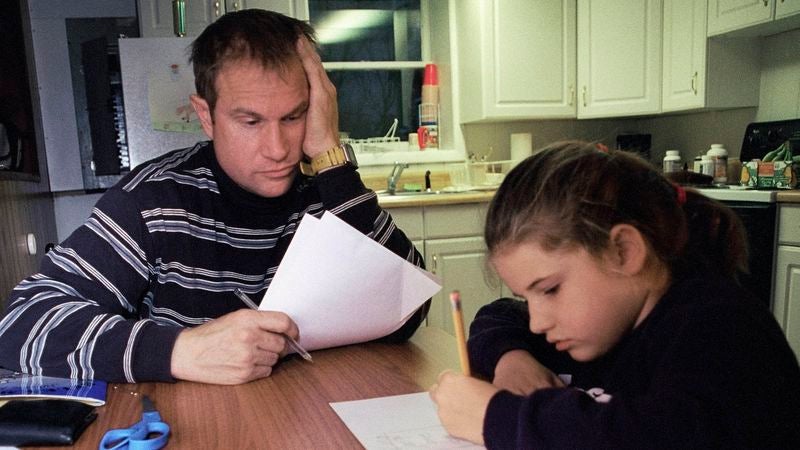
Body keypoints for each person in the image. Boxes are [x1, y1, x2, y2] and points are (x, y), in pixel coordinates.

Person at [0, 10, 428, 385]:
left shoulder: (329, 191)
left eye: (294, 116)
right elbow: (19, 327)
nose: (278, 149)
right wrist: (181, 351)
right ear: (205, 115)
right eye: (250, 121)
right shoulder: (152, 200)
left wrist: (331, 161)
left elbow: (406, 308)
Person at [430, 141, 800, 448]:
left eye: (550, 289)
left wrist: (497, 419)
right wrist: (511, 358)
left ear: (623, 251)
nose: (539, 321)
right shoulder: (603, 322)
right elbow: (499, 317)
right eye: (528, 297)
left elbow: (655, 439)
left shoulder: (722, 329)